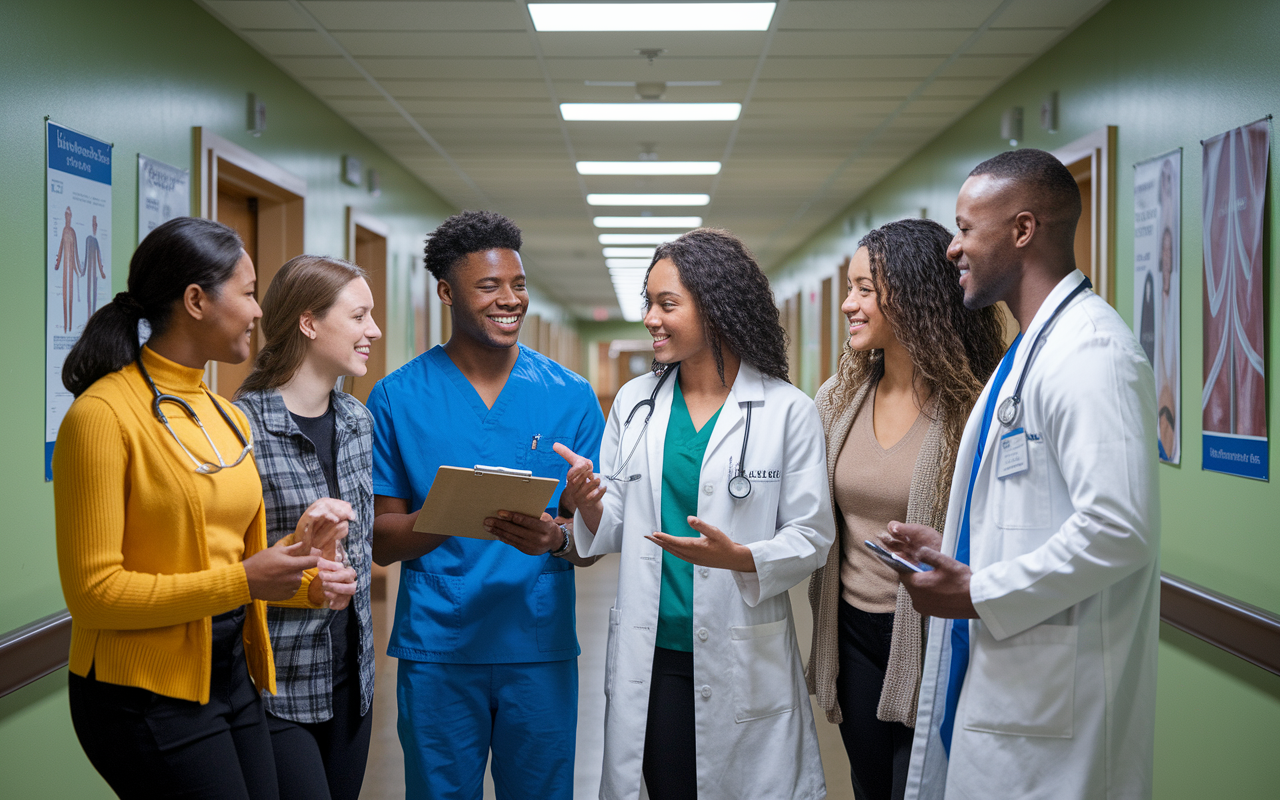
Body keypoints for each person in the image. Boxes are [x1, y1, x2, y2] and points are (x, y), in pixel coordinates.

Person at [880, 149, 1160, 800]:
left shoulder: (1091, 354)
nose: (953, 249)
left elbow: (1119, 528)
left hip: (1058, 717)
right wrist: (949, 554)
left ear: (1023, 230)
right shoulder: (1032, 353)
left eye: (966, 228)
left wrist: (980, 589)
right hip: (1013, 695)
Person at [54, 217, 349, 799]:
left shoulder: (225, 415)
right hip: (141, 690)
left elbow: (236, 567)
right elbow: (93, 593)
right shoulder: (102, 416)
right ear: (195, 301)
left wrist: (306, 581)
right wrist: (244, 579)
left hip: (231, 673)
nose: (260, 310)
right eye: (246, 293)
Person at [556, 228, 835, 800]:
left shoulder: (787, 410)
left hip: (740, 650)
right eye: (647, 303)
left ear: (715, 308)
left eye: (667, 304)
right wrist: (587, 504)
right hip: (653, 653)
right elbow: (612, 527)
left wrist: (743, 557)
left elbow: (812, 535)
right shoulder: (635, 404)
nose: (650, 319)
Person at [367, 210, 604, 799]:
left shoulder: (570, 396)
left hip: (537, 641)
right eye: (490, 286)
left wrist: (559, 535)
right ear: (447, 292)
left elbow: (595, 537)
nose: (510, 300)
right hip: (440, 645)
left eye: (519, 285)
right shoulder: (398, 396)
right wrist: (452, 511)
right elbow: (380, 537)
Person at [806, 219, 1005, 800]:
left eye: (865, 290)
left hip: (934, 631)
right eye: (850, 288)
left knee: (921, 788)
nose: (849, 304)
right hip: (850, 631)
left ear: (914, 294)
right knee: (869, 786)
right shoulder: (837, 399)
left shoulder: (972, 405)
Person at [235, 255, 381, 800]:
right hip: (277, 690)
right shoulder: (241, 427)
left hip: (351, 683)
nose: (374, 330)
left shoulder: (357, 422)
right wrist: (297, 556)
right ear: (309, 322)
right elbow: (226, 569)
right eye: (359, 315)